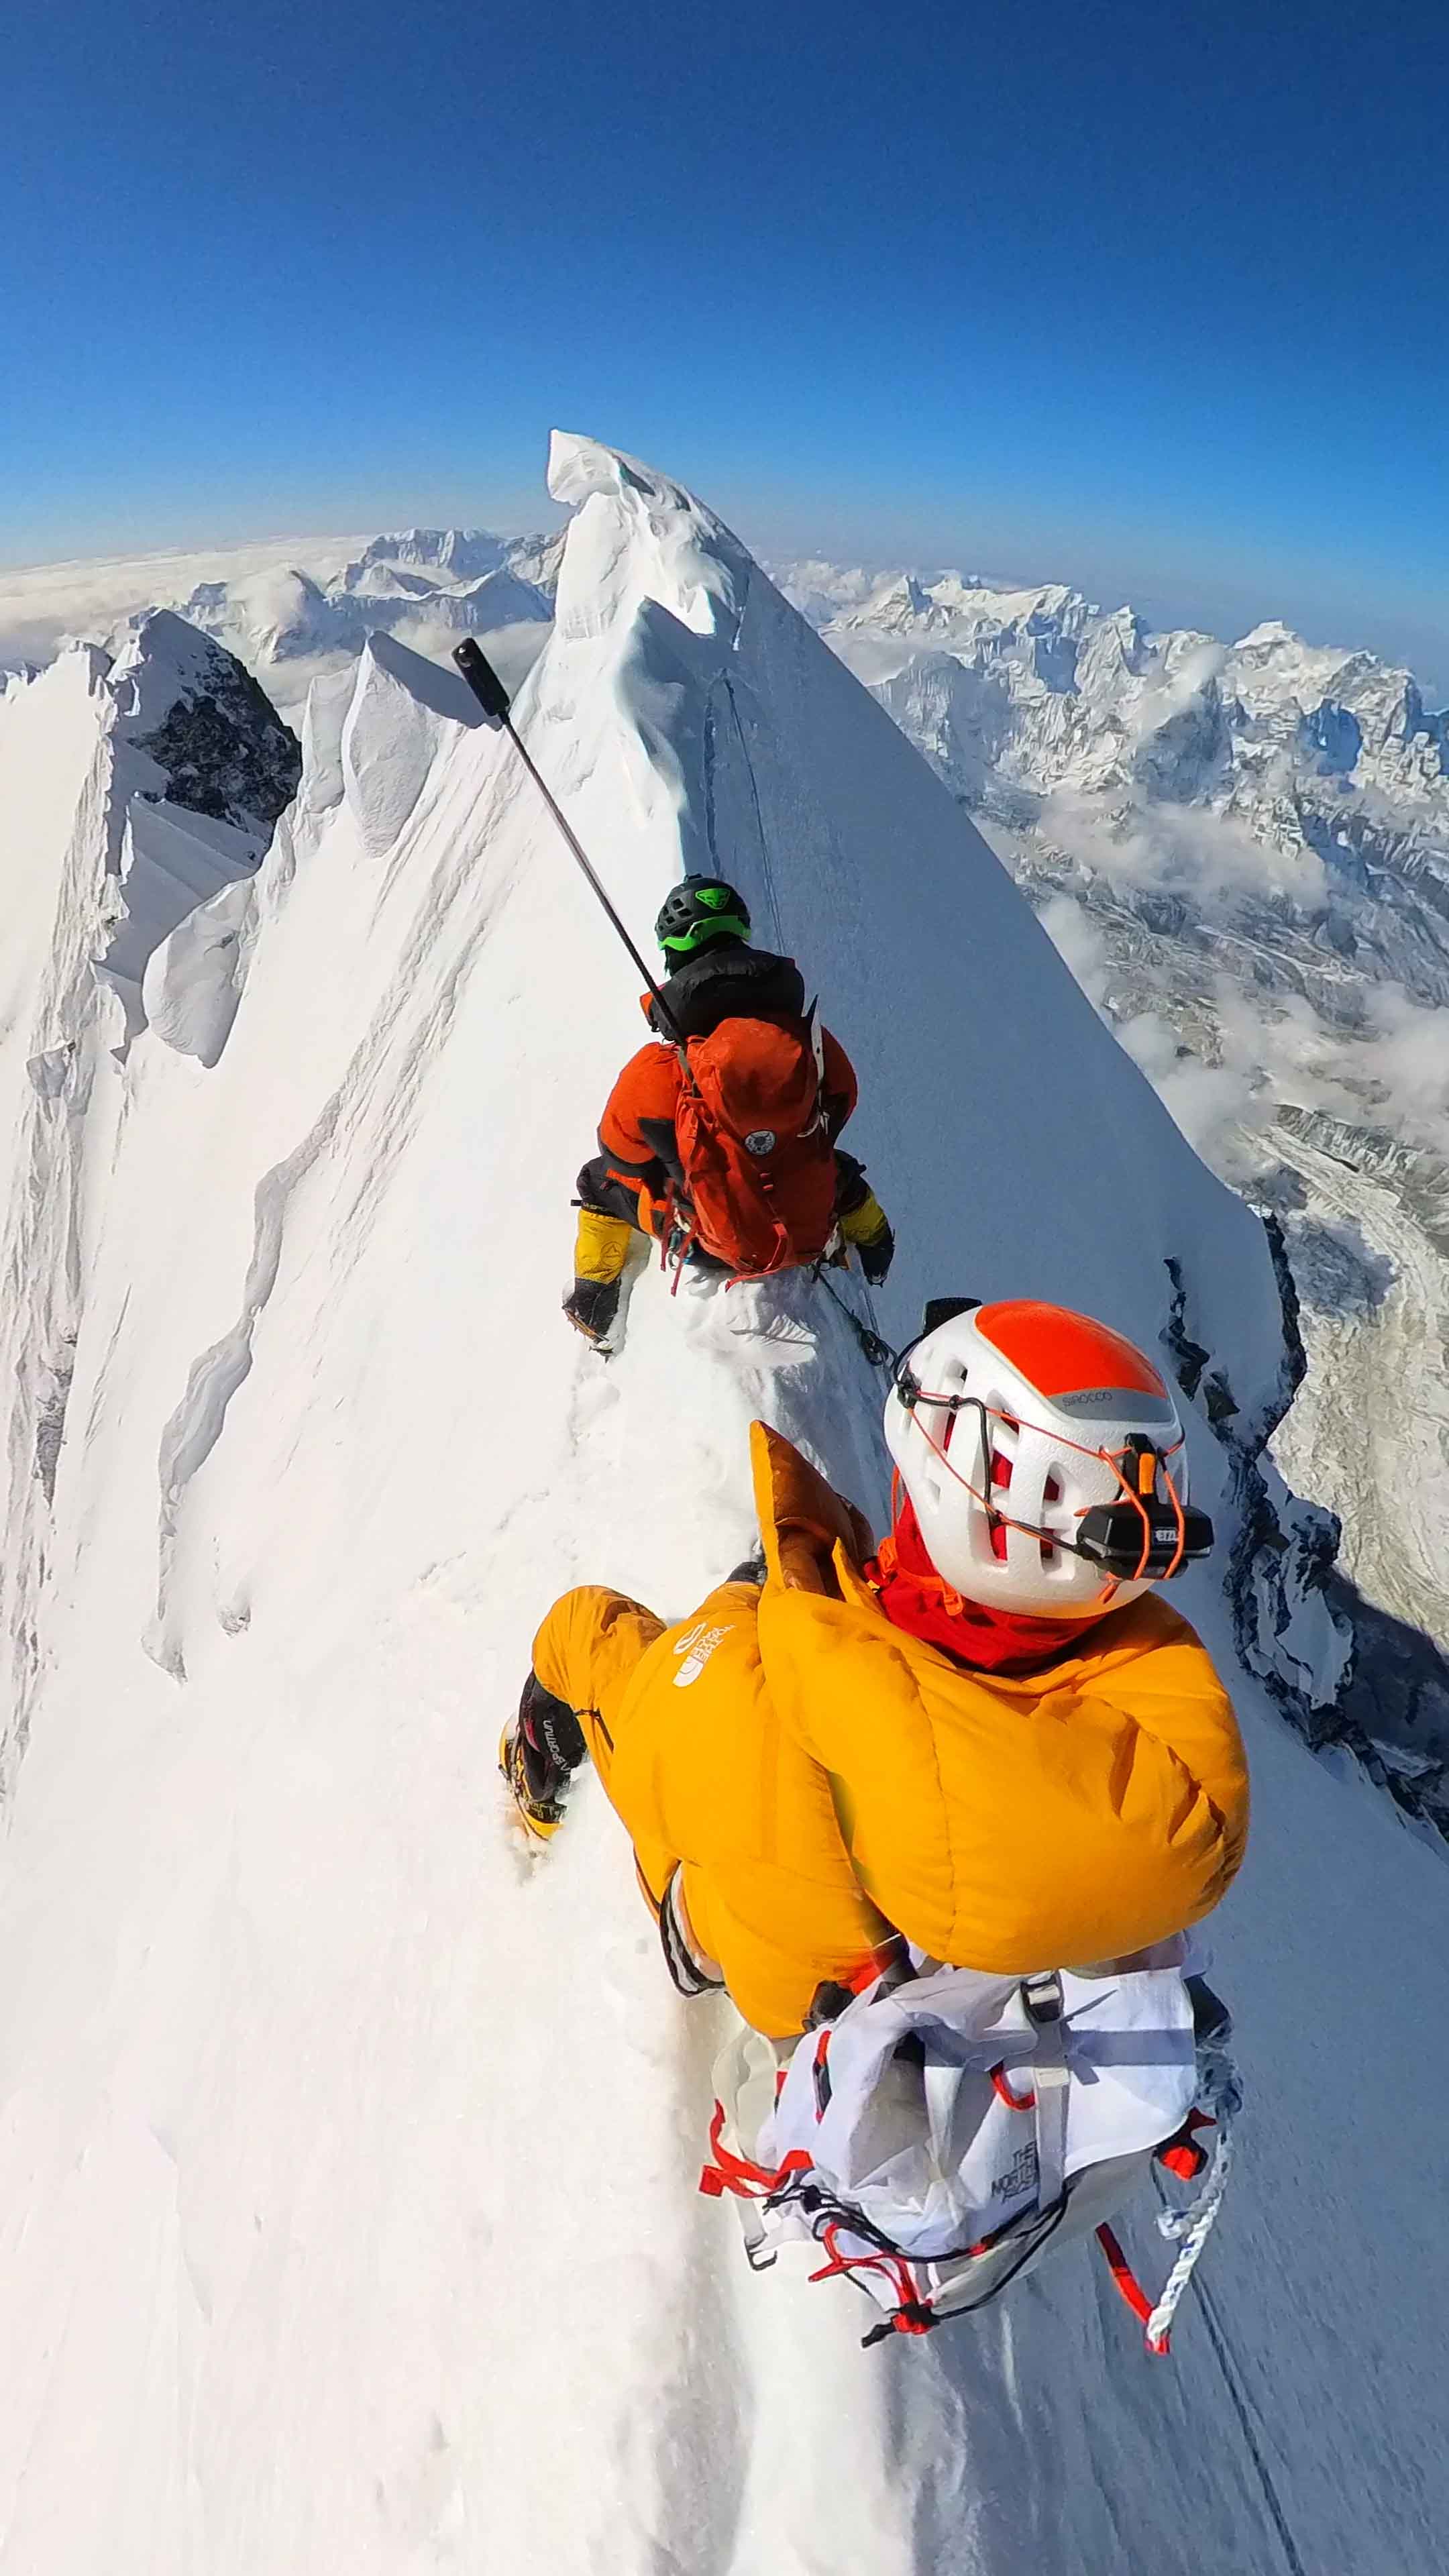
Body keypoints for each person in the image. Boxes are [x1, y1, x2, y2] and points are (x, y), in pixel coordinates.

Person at [502, 1297, 1250, 2039]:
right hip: (932, 1976)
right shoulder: (1161, 1782)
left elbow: (668, 1727)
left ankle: (534, 1783)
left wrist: (770, 1591)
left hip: (741, 1936)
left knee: (586, 1627)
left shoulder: (746, 1698)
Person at [565, 874, 894, 1344]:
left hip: (717, 1245)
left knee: (597, 1181)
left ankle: (596, 1312)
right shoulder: (810, 1043)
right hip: (811, 1230)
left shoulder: (664, 1068)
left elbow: (621, 1154)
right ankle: (875, 1248)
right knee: (831, 1161)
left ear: (673, 952)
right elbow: (842, 1105)